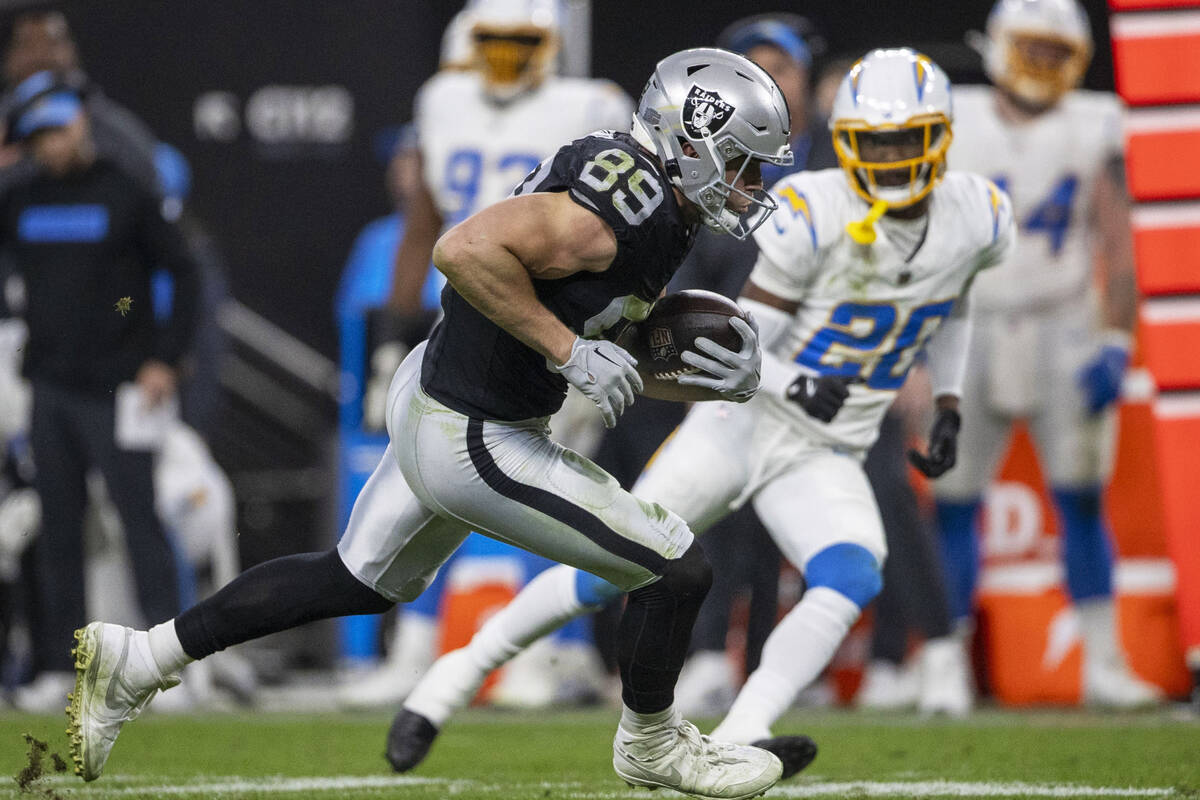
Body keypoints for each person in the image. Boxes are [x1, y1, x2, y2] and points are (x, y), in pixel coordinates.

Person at [68, 47, 795, 799]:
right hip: (478, 435)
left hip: (444, 394)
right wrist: (569, 349)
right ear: (688, 140)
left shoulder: (653, 201)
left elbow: (592, 323)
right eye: (740, 163)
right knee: (675, 565)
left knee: (353, 579)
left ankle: (140, 660)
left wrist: (690, 376)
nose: (750, 186)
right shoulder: (627, 206)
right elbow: (464, 249)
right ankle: (651, 745)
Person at [386, 47, 1014, 780]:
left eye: (908, 139)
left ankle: (745, 729)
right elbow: (742, 350)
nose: (894, 157)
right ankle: (451, 678)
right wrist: (794, 382)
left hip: (823, 450)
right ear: (846, 141)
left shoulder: (980, 214)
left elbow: (954, 292)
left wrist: (948, 397)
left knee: (852, 571)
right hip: (738, 427)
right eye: (877, 142)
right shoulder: (814, 211)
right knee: (609, 568)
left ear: (940, 138)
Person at [341, 0, 636, 709]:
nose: (504, 58)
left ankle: (551, 652)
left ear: (550, 46)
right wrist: (393, 337)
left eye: (520, 43)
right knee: (424, 484)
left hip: (553, 326)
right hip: (464, 321)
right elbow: (427, 221)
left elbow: (623, 237)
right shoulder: (443, 100)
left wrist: (602, 340)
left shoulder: (590, 105)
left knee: (550, 494)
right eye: (492, 43)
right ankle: (414, 646)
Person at [931, 0, 1161, 710]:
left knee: (1082, 496)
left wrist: (1118, 339)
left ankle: (1103, 662)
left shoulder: (1094, 124)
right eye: (1031, 48)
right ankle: (944, 664)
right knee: (951, 502)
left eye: (1057, 53)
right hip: (969, 320)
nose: (1041, 66)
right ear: (997, 44)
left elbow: (1118, 238)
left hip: (1066, 320)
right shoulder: (952, 114)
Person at [0, 73, 198, 710]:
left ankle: (168, 669)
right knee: (58, 532)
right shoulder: (18, 198)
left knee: (139, 522)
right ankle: (66, 669)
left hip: (119, 386)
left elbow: (186, 272)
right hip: (49, 387)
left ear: (80, 125)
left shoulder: (126, 190)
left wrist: (164, 357)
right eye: (40, 136)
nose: (52, 144)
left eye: (59, 129)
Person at [665, 12, 840, 716]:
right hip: (721, 365)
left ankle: (776, 663)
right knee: (704, 512)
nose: (768, 79)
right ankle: (706, 653)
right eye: (752, 65)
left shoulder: (835, 160)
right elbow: (678, 265)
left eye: (782, 65)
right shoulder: (704, 157)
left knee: (788, 522)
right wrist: (681, 343)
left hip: (817, 369)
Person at [0, 8, 159, 194]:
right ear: (9, 57)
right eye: (27, 45)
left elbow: (150, 188)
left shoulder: (111, 127)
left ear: (71, 50)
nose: (40, 54)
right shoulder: (4, 122)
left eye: (51, 43)